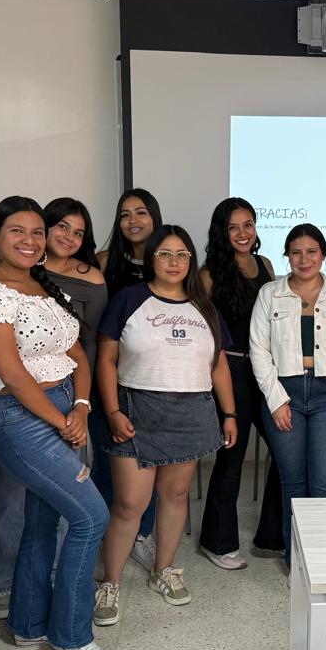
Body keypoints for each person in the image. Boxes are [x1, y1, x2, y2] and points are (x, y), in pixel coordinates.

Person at [0, 197, 112, 650]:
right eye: (17, 231)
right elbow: (14, 375)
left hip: (65, 406)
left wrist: (82, 407)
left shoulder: (43, 288)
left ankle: (27, 623)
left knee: (44, 522)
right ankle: (71, 632)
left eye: (37, 232)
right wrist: (62, 421)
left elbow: (79, 356)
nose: (30, 241)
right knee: (91, 517)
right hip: (20, 417)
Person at [94, 225, 238, 623]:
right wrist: (112, 412)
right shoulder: (129, 300)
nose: (174, 262)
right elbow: (106, 360)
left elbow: (219, 364)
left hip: (191, 412)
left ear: (191, 261)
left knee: (175, 498)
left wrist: (229, 413)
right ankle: (110, 583)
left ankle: (164, 569)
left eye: (182, 255)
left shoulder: (203, 306)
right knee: (130, 504)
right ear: (149, 258)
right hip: (136, 410)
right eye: (164, 254)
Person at [252, 224, 326, 564]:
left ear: (324, 254)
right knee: (293, 484)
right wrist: (276, 400)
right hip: (284, 391)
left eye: (312, 251)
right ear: (287, 255)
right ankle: (298, 563)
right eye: (296, 252)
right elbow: (259, 351)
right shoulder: (270, 294)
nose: (304, 259)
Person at [198, 198, 286, 568]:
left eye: (248, 225)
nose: (242, 233)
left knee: (286, 451)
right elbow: (207, 335)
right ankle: (217, 542)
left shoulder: (265, 265)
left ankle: (271, 536)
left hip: (266, 370)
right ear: (222, 231)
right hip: (230, 372)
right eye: (234, 227)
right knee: (232, 458)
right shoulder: (208, 274)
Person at [96, 188, 162, 570]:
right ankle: (107, 537)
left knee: (150, 462)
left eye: (141, 212)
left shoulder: (168, 264)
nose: (133, 221)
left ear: (154, 217)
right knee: (110, 462)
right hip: (109, 378)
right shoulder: (104, 263)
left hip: (152, 382)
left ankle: (142, 534)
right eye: (125, 214)